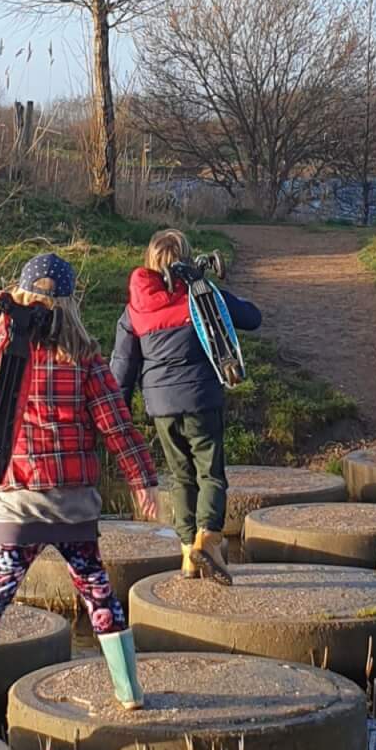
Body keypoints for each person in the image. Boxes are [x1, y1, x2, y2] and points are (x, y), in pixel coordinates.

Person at [0, 250, 162, 735]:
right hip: (72, 504)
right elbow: (117, 424)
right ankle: (129, 692)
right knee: (97, 590)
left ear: (20, 294)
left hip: (16, 503)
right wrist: (142, 481)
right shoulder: (86, 357)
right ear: (70, 303)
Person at [110, 228, 262, 583]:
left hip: (161, 408)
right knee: (210, 473)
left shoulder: (133, 311)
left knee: (180, 477)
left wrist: (118, 416)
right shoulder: (202, 298)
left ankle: (186, 556)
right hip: (201, 400)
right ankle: (207, 539)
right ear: (188, 259)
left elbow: (122, 367)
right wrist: (208, 285)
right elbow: (252, 318)